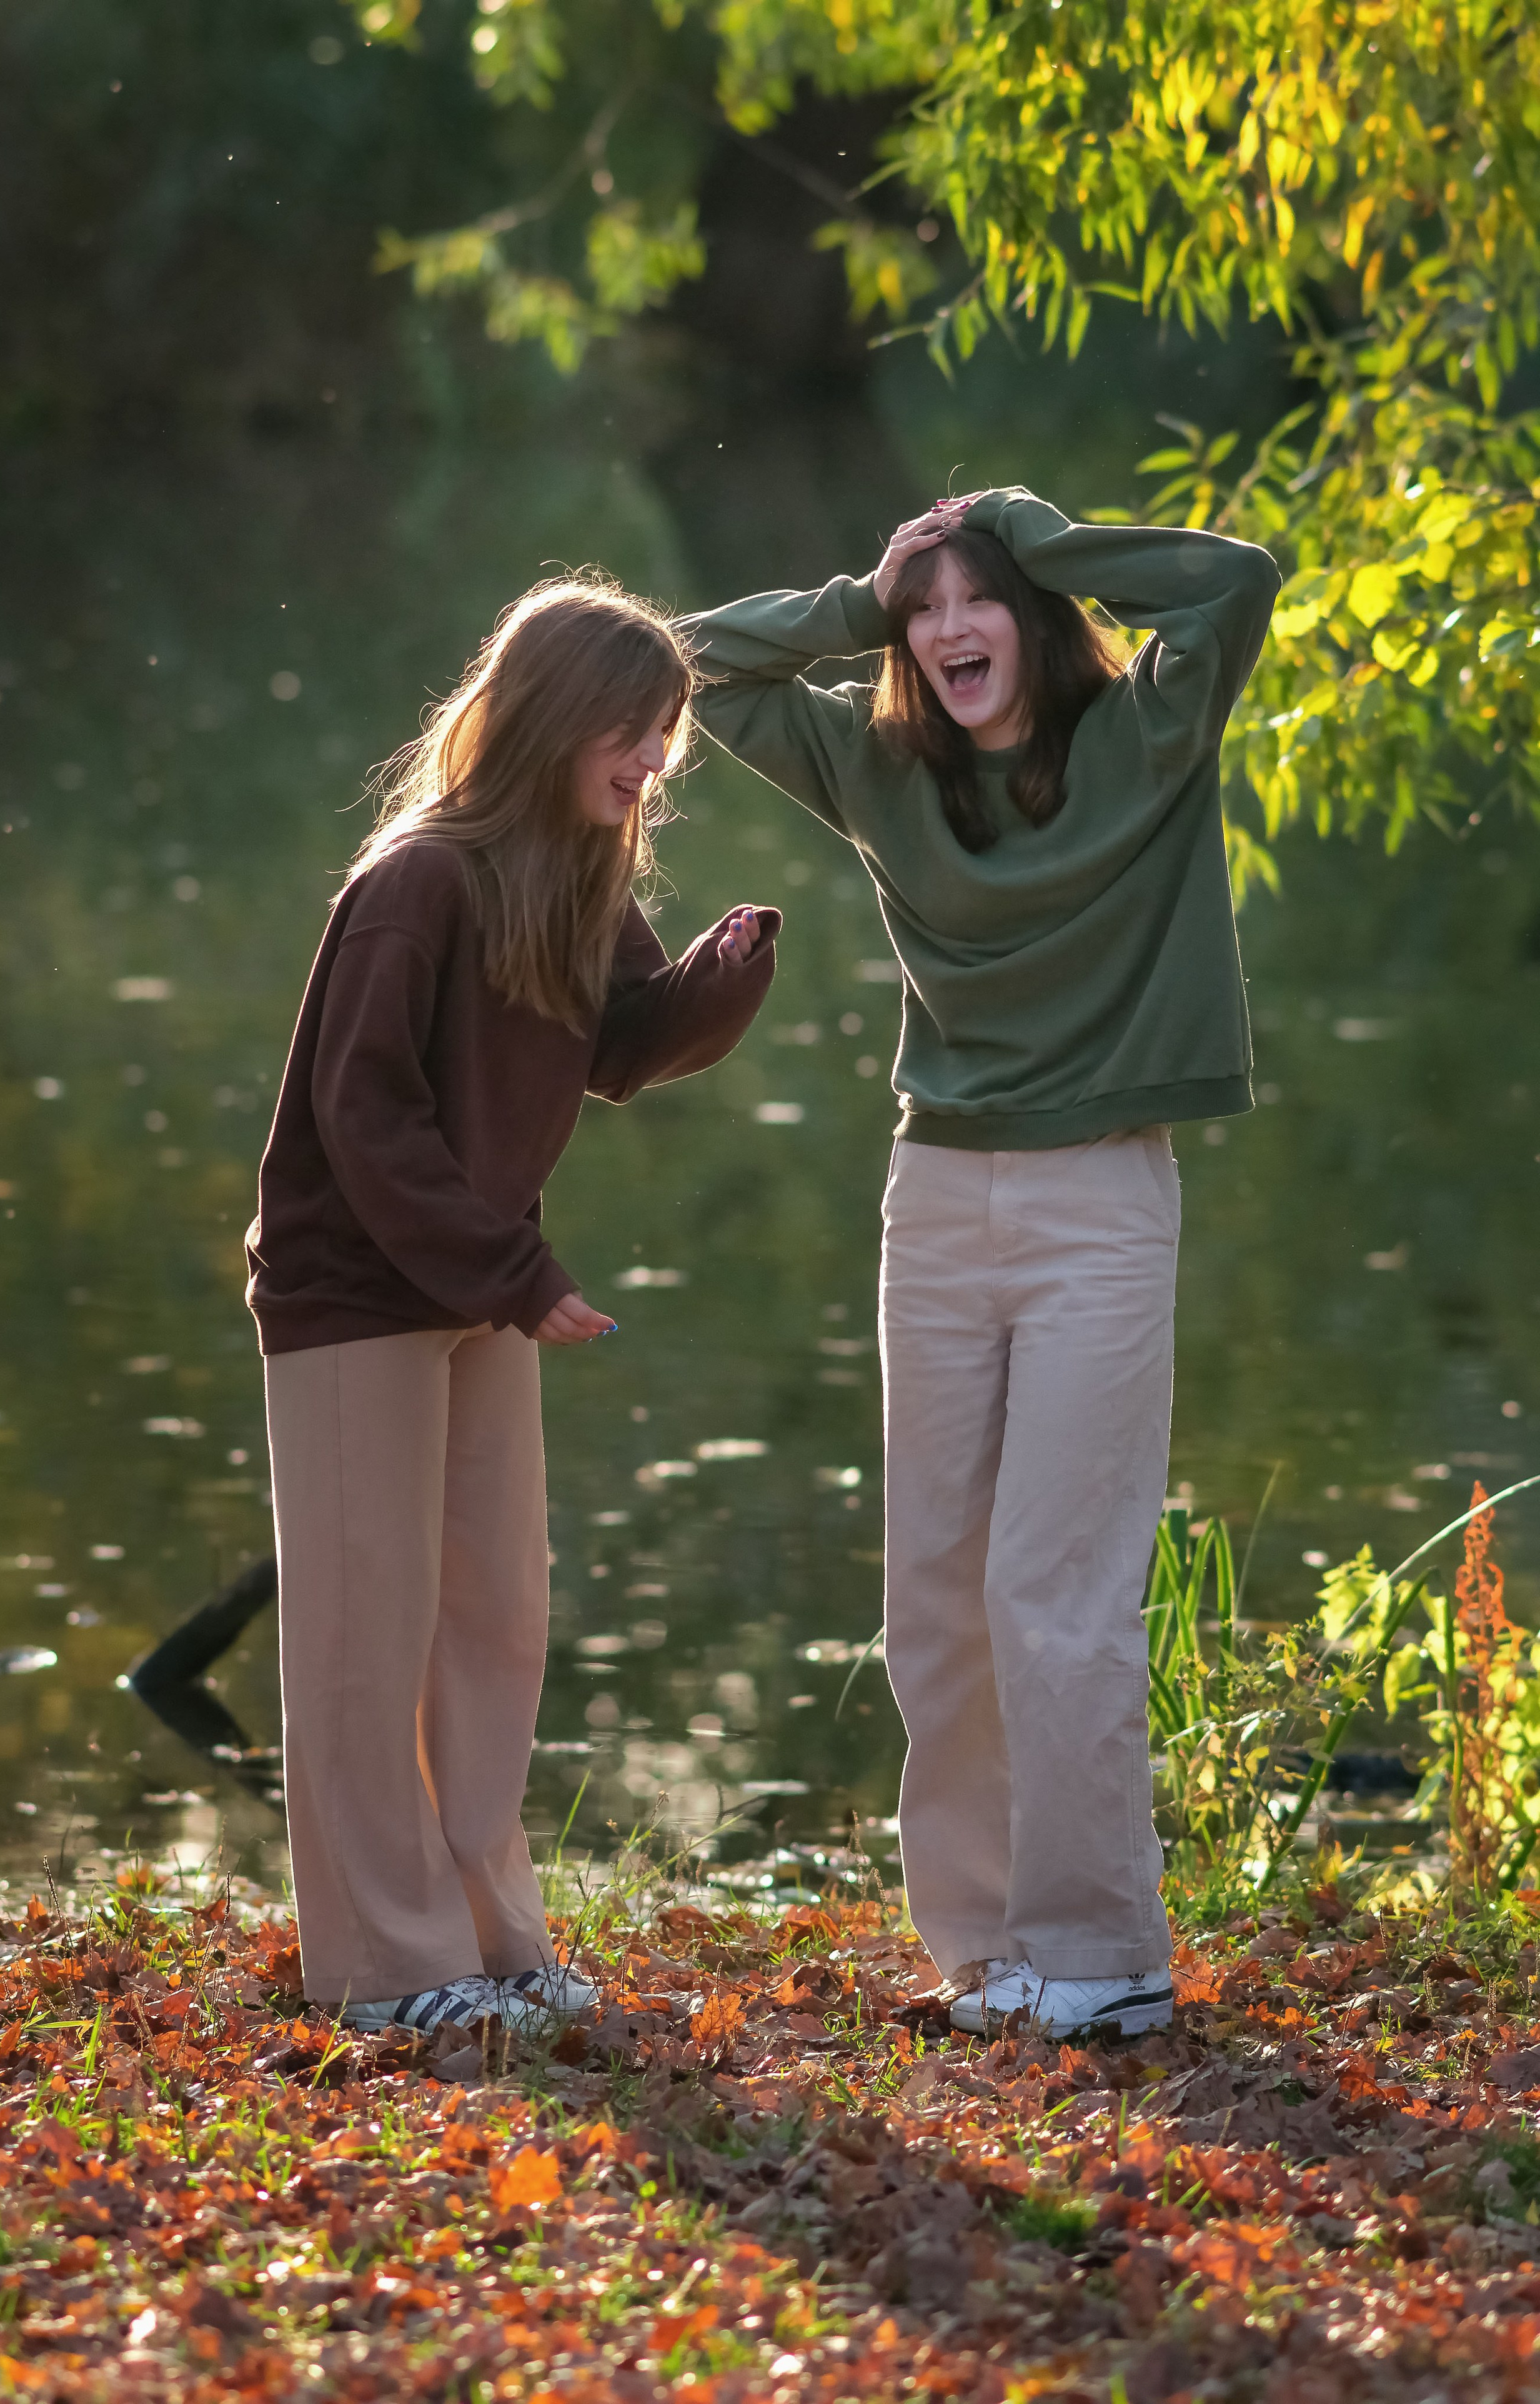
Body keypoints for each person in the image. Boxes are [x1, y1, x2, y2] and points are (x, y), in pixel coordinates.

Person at [682, 486, 1279, 2039]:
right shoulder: (878, 764)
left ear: (1032, 613)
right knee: (936, 1591)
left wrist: (1038, 531)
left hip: (1097, 1199)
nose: (951, 629)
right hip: (935, 1194)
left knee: (1054, 1590)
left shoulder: (1144, 738)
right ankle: (980, 1947)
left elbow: (1231, 582)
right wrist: (857, 599)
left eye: (978, 597)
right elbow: (686, 669)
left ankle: (1104, 1952)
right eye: (925, 607)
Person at [246, 575, 781, 2037]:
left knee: (493, 1616)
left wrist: (720, 983)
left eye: (667, 731)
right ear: (548, 715)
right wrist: (515, 1275)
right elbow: (367, 1117)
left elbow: (614, 1045)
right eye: (633, 724)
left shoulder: (578, 873)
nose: (654, 756)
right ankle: (385, 1970)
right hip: (358, 1289)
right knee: (368, 1629)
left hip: (479, 1280)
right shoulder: (412, 883)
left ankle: (490, 1938)